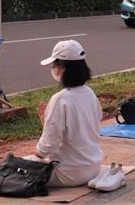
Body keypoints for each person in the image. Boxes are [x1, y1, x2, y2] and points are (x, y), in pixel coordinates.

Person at [34, 40, 103, 187]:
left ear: (63, 68)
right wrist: (46, 123)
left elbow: (47, 147)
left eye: (55, 65)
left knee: (18, 165)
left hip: (68, 173)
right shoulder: (90, 94)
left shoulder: (60, 99)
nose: (53, 69)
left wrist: (36, 156)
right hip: (94, 168)